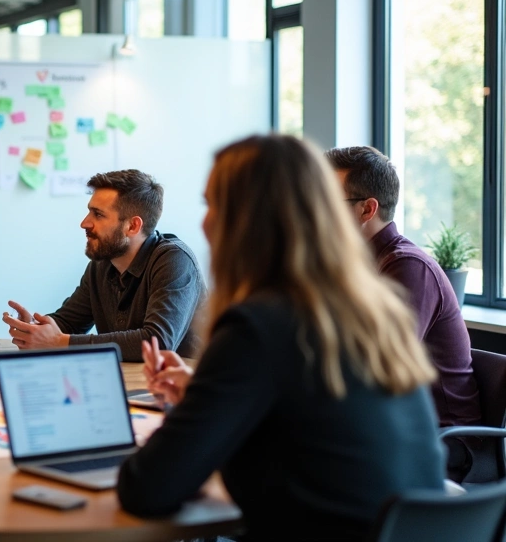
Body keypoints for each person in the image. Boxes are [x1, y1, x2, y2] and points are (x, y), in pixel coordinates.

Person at [118, 135, 444, 542]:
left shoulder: (258, 325)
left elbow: (147, 488)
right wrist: (206, 398)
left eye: (214, 204)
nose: (204, 223)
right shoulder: (374, 310)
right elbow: (310, 426)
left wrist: (195, 417)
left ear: (251, 219)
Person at [326, 145, 480, 429]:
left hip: (445, 440)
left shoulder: (408, 267)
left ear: (367, 209)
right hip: (391, 428)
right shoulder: (357, 266)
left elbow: (379, 371)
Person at [3, 169, 206, 360]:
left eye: (98, 214)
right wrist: (35, 329)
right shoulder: (103, 264)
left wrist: (58, 341)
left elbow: (157, 342)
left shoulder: (175, 260)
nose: (85, 223)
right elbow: (69, 323)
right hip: (134, 385)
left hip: (186, 391)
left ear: (133, 226)